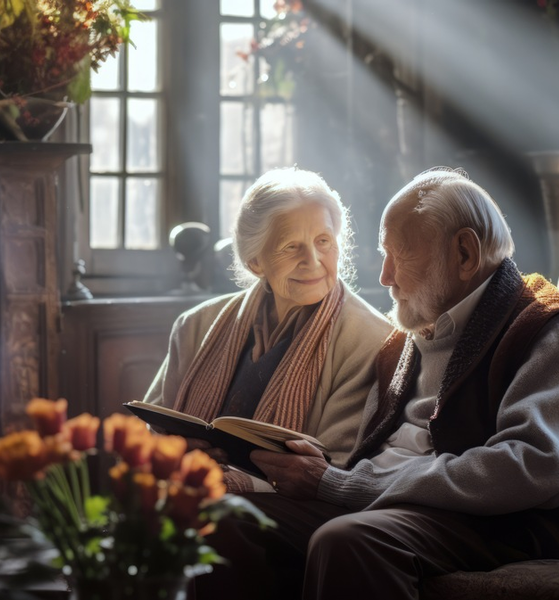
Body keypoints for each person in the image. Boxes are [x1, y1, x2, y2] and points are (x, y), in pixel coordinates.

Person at [199, 166, 559, 600]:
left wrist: (340, 484)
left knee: (348, 540)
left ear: (464, 254)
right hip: (387, 501)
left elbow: (531, 463)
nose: (385, 276)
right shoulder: (403, 340)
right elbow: (370, 455)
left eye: (399, 254)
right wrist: (319, 465)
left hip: (492, 519)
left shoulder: (540, 328)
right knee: (226, 517)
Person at [143, 167, 393, 483]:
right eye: (291, 246)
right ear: (255, 262)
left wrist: (223, 482)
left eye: (323, 241)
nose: (313, 260)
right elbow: (148, 434)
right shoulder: (194, 326)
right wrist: (172, 453)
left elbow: (334, 469)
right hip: (186, 492)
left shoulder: (371, 340)